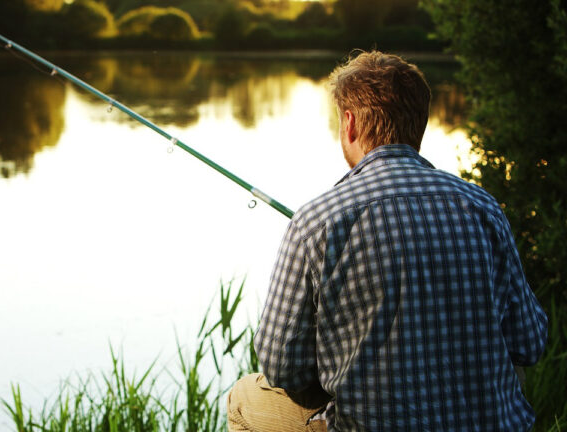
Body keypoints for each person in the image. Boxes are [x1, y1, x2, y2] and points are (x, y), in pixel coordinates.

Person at [226, 51, 548, 432]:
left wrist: (338, 378)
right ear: (420, 126)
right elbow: (530, 341)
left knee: (244, 396)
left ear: (349, 124)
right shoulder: (483, 207)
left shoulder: (316, 221)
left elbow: (282, 367)